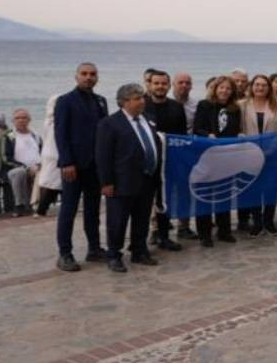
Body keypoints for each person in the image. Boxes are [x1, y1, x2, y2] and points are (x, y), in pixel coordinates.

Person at [95, 83, 163, 273]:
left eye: (142, 97)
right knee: (117, 220)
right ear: (124, 102)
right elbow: (103, 155)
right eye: (137, 98)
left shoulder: (148, 119)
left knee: (142, 218)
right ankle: (114, 255)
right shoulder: (109, 124)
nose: (142, 101)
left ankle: (139, 250)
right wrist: (106, 182)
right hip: (121, 181)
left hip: (147, 179)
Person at [53, 62, 109, 272]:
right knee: (68, 210)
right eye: (84, 74)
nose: (88, 77)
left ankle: (94, 249)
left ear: (97, 77)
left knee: (93, 210)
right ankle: (65, 253)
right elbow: (61, 133)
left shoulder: (101, 102)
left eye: (92, 74)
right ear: (76, 76)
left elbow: (105, 133)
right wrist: (66, 161)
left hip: (95, 166)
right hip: (73, 166)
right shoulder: (65, 101)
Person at [192, 77, 243, 245]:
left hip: (227, 157)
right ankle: (204, 234)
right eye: (222, 87)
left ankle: (224, 231)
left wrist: (240, 135)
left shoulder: (235, 109)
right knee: (205, 196)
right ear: (215, 88)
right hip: (207, 156)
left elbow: (236, 130)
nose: (224, 91)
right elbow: (197, 128)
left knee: (224, 195)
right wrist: (207, 135)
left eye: (228, 88)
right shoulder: (204, 105)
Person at [142, 70, 186, 251]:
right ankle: (140, 241)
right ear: (149, 85)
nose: (160, 86)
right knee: (143, 203)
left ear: (169, 85)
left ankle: (164, 237)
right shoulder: (141, 105)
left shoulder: (176, 106)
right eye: (156, 83)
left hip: (170, 162)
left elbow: (182, 135)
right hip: (146, 163)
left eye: (163, 83)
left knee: (164, 201)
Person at [240, 74, 277, 236]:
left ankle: (269, 221)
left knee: (270, 189)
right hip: (249, 155)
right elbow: (238, 129)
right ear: (252, 87)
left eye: (264, 85)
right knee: (253, 189)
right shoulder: (242, 105)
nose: (260, 88)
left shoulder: (276, 107)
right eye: (257, 85)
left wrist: (272, 149)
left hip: (272, 155)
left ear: (269, 88)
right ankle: (257, 221)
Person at [0, 109, 41, 216]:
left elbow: (43, 152)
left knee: (44, 173)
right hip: (14, 169)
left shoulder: (35, 135)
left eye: (24, 118)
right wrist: (26, 167)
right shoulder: (8, 136)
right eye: (17, 118)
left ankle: (37, 204)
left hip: (36, 168)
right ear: (13, 121)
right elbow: (5, 158)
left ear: (29, 120)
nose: (21, 120)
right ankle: (19, 205)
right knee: (20, 172)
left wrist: (40, 165)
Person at [35, 94, 63, 216]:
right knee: (53, 184)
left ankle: (42, 209)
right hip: (56, 154)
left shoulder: (48, 121)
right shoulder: (56, 121)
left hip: (48, 154)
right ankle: (42, 209)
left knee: (50, 183)